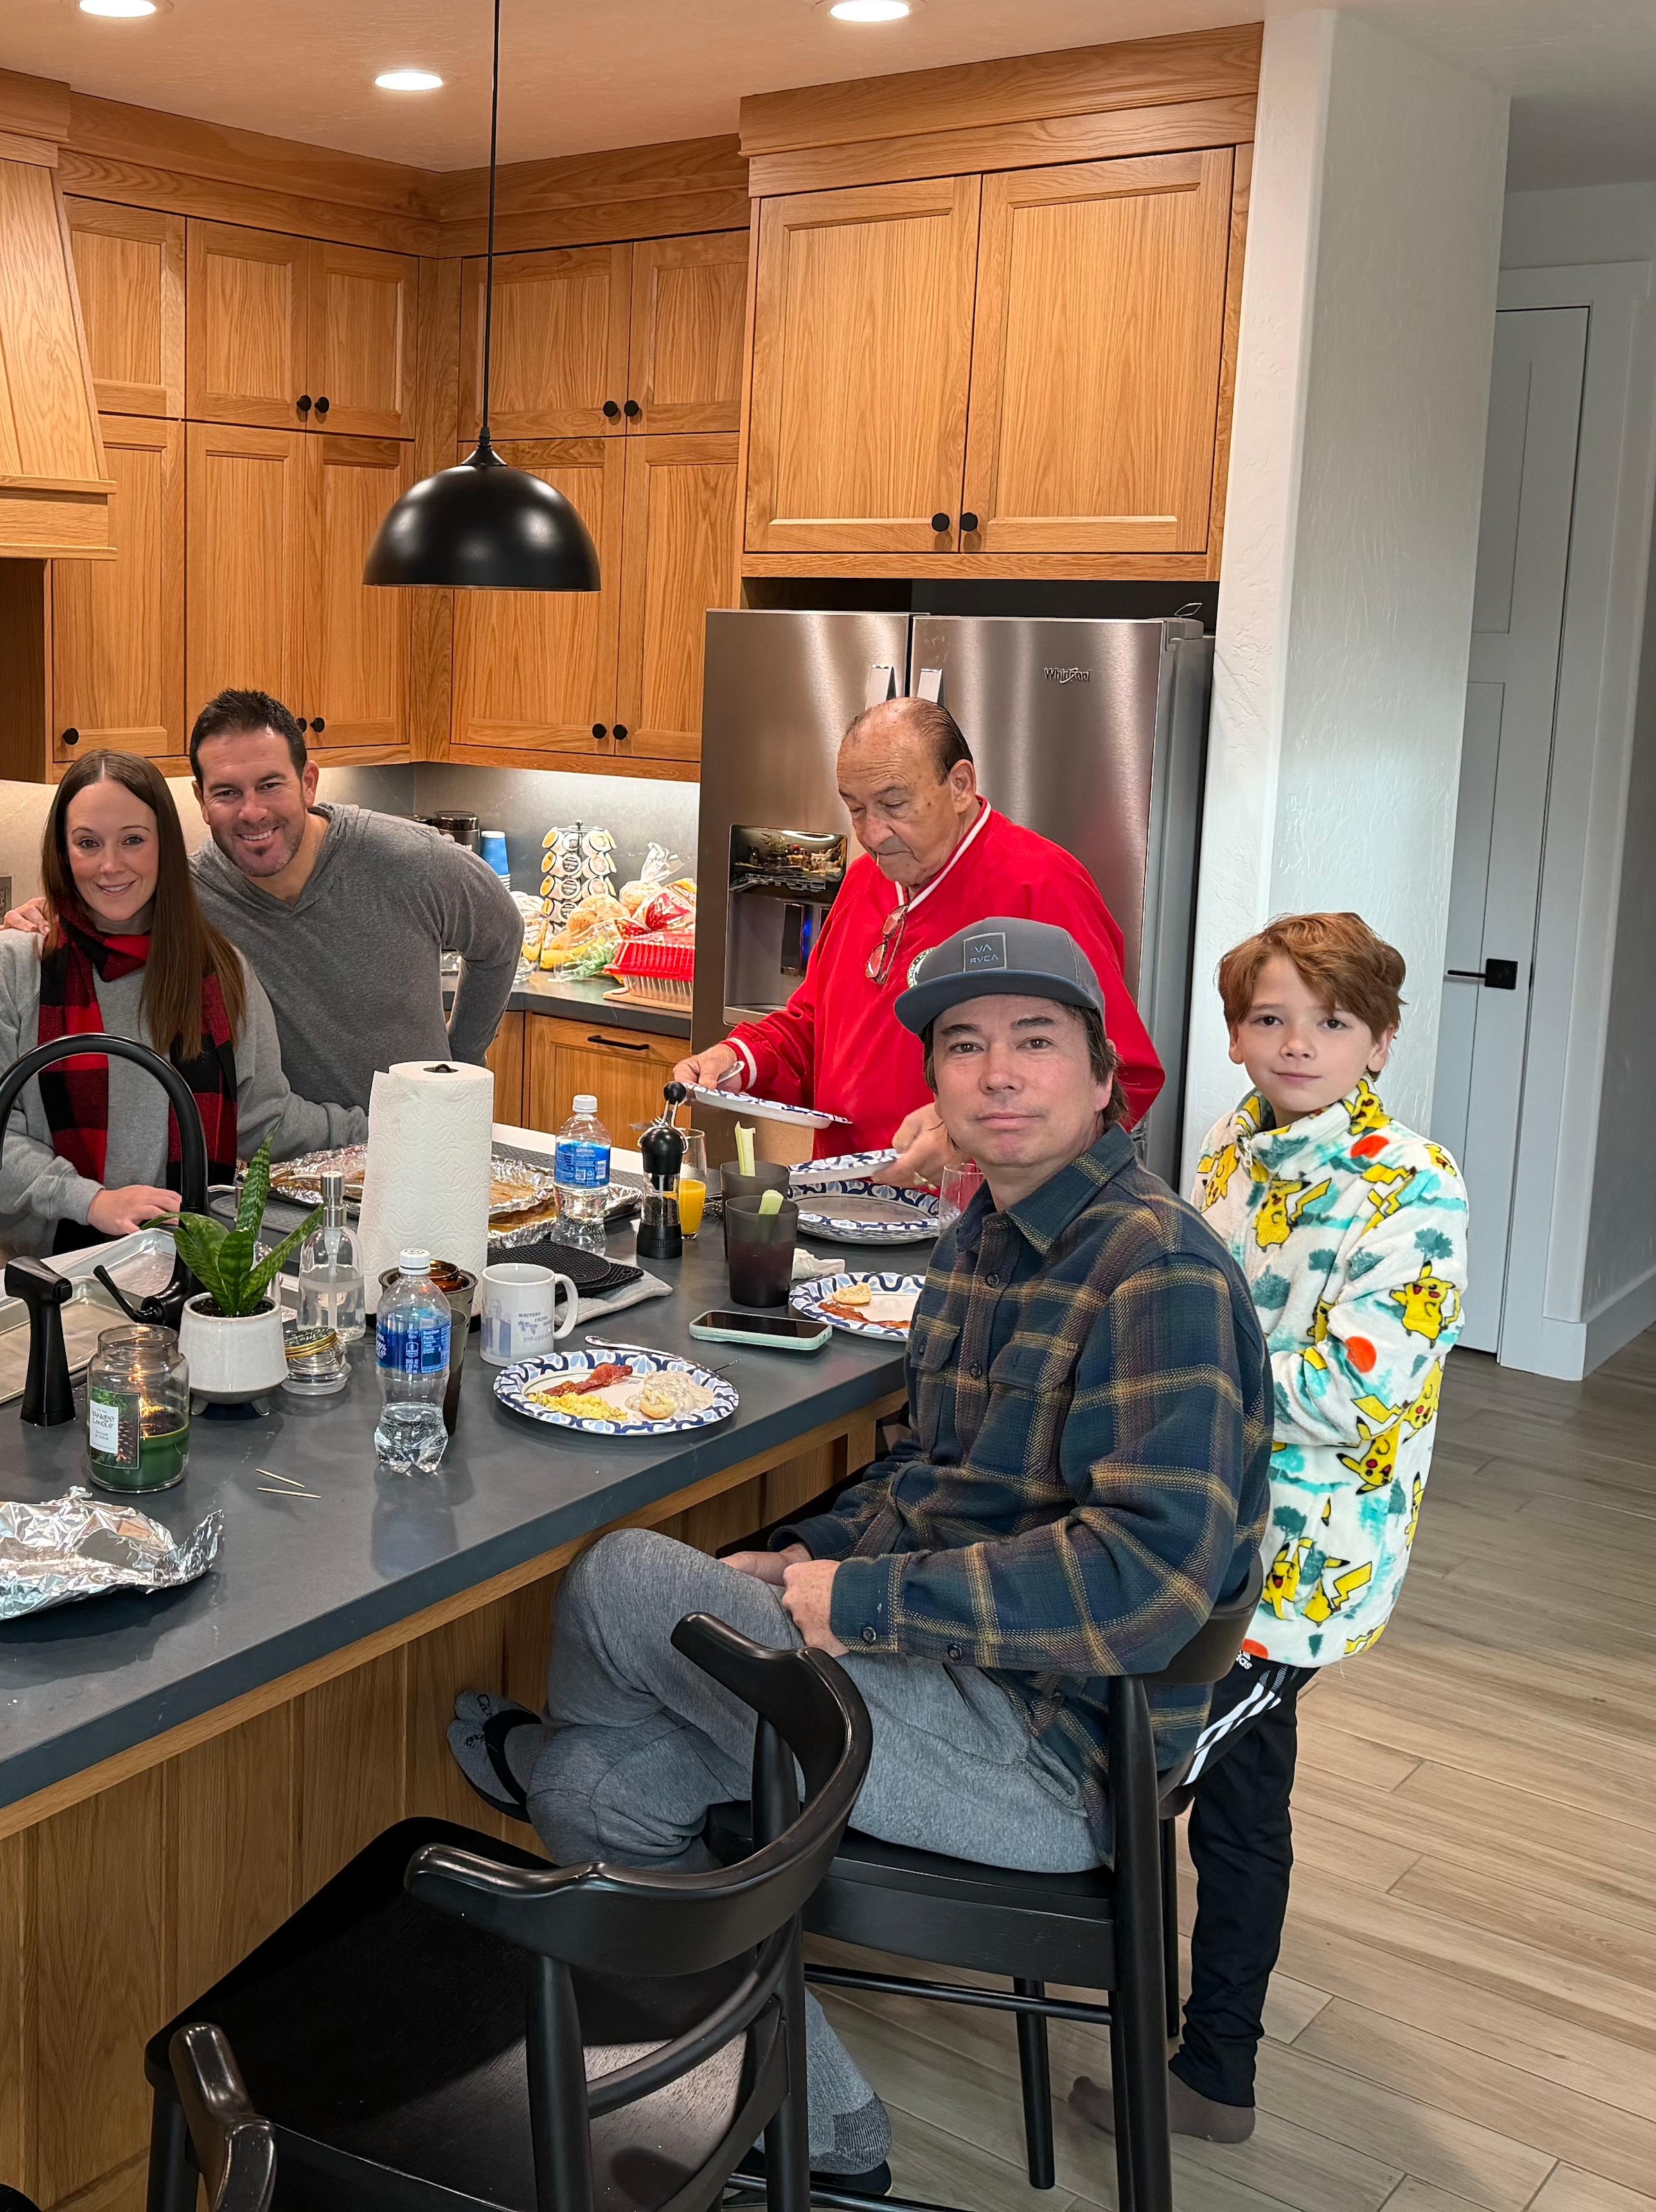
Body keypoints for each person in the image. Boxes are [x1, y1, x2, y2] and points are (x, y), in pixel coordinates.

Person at [443, 917, 1270, 2186]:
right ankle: (830, 2134)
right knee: (592, 1799)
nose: (997, 1073)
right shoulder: (993, 1237)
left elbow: (1144, 1588)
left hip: (1051, 1758)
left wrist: (859, 1603)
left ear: (1105, 1079)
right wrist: (799, 1562)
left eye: (1036, 1043)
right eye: (964, 1046)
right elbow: (930, 1482)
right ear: (933, 1083)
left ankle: (550, 1761)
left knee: (621, 1578)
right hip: (950, 1691)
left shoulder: (1156, 1272)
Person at [1069, 912, 1465, 2148]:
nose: (1298, 1043)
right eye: (1269, 1018)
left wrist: (1168, 1368)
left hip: (1301, 1557)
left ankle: (1201, 2066)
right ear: (1236, 1036)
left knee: (1156, 1787)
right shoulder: (1236, 1149)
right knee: (1243, 1800)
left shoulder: (1417, 1188)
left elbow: (1355, 1393)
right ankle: (1213, 2073)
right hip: (1203, 1523)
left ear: (1382, 1042)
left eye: (1332, 1021)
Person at [670, 696, 1161, 1186]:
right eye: (856, 809)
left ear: (961, 786)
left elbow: (1124, 1075)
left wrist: (962, 1137)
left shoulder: (1042, 885)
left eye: (893, 804)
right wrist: (738, 1060)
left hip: (978, 1222)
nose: (872, 833)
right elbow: (815, 1026)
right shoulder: (866, 881)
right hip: (848, 1200)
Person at [1, 690, 522, 1139]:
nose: (252, 812)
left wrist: (459, 1064)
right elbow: (104, 900)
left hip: (416, 1146)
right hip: (278, 1176)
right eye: (227, 792)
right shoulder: (185, 899)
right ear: (201, 800)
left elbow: (501, 937)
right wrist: (48, 913)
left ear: (309, 783)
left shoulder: (413, 862)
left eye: (270, 785)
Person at [0, 750, 344, 1257]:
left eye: (133, 840)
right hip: (38, 1274)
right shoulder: (8, 968)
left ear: (164, 849)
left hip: (191, 1263)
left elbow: (261, 1120)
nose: (110, 866)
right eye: (88, 843)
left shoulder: (220, 971)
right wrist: (90, 1201)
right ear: (64, 853)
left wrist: (390, 1127)